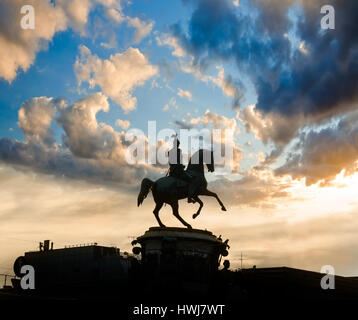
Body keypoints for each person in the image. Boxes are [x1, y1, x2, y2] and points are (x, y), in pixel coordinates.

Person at [168, 137, 195, 203]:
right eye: (178, 144)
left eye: (178, 144)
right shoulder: (179, 151)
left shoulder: (170, 151)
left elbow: (170, 162)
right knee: (191, 180)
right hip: (178, 170)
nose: (178, 145)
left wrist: (179, 165)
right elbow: (178, 161)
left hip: (172, 170)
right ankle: (189, 198)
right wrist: (180, 165)